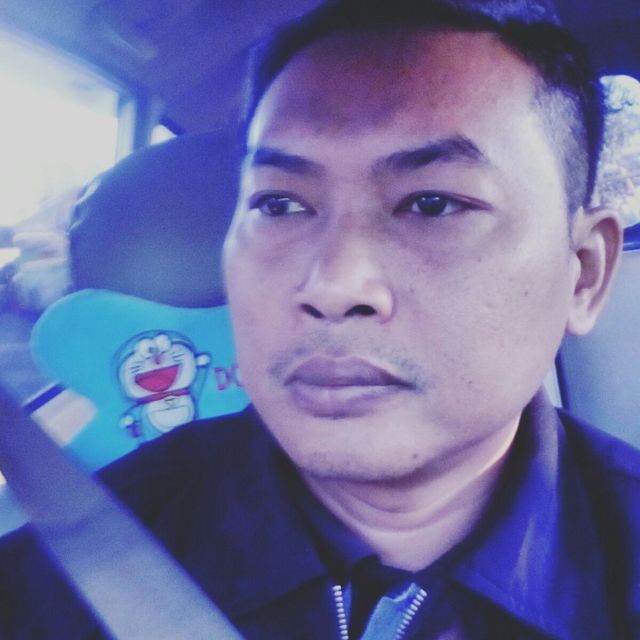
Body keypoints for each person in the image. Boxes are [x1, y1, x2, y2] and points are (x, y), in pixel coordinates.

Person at [0, 0, 638, 638]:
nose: (333, 285)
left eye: (433, 203)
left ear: (583, 273)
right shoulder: (54, 583)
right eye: (279, 204)